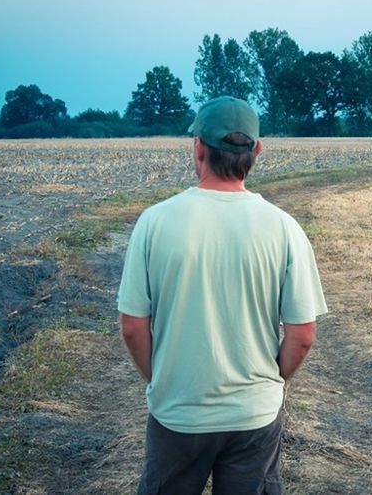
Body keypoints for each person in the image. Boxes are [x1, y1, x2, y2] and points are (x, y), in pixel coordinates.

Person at [117, 96, 327, 494]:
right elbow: (303, 335)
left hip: (178, 413)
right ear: (257, 151)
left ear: (198, 148)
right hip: (254, 417)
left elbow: (132, 327)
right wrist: (269, 384)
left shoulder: (154, 222)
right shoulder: (284, 228)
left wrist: (161, 378)